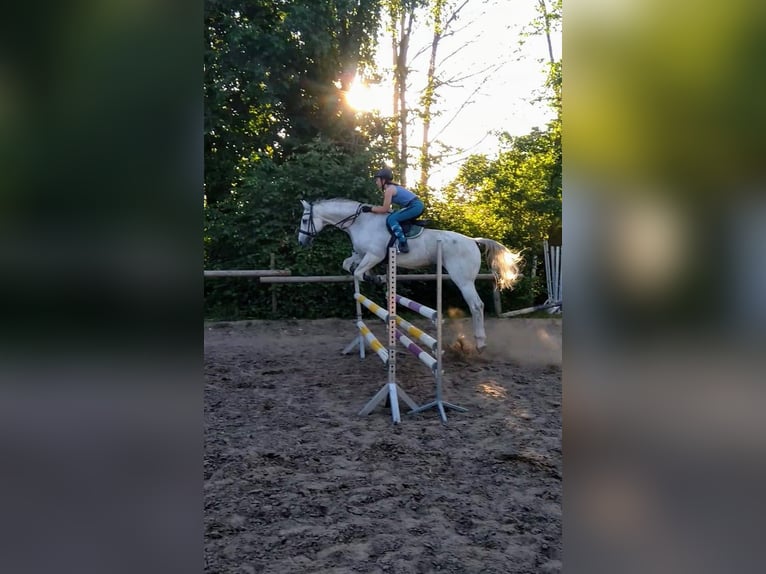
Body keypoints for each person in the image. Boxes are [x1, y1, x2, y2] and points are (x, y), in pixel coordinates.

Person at [361, 167, 424, 253]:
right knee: (394, 214)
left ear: (383, 180)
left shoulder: (389, 190)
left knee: (391, 219)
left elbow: (384, 209)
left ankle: (403, 243)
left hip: (415, 206)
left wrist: (370, 209)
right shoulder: (392, 187)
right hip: (415, 205)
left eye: (377, 180)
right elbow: (388, 209)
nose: (376, 182)